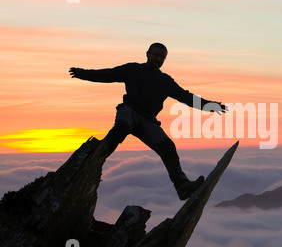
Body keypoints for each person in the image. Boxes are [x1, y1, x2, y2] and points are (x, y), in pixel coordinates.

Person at [69, 43, 227, 200]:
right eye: (155, 55)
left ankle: (182, 186)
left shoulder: (165, 81)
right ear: (147, 54)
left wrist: (211, 106)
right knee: (121, 127)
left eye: (161, 57)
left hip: (148, 121)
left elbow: (186, 97)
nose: (158, 59)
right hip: (129, 111)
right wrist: (83, 73)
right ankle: (92, 163)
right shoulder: (133, 69)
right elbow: (107, 74)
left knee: (168, 147)